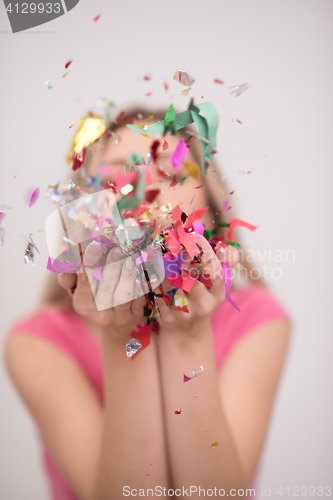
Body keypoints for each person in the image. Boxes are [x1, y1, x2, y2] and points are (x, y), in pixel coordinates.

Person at [4, 106, 291, 500]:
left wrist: (189, 336)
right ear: (83, 211)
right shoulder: (37, 343)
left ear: (208, 207)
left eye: (170, 173)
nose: (142, 190)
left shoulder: (258, 319)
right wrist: (123, 337)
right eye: (120, 174)